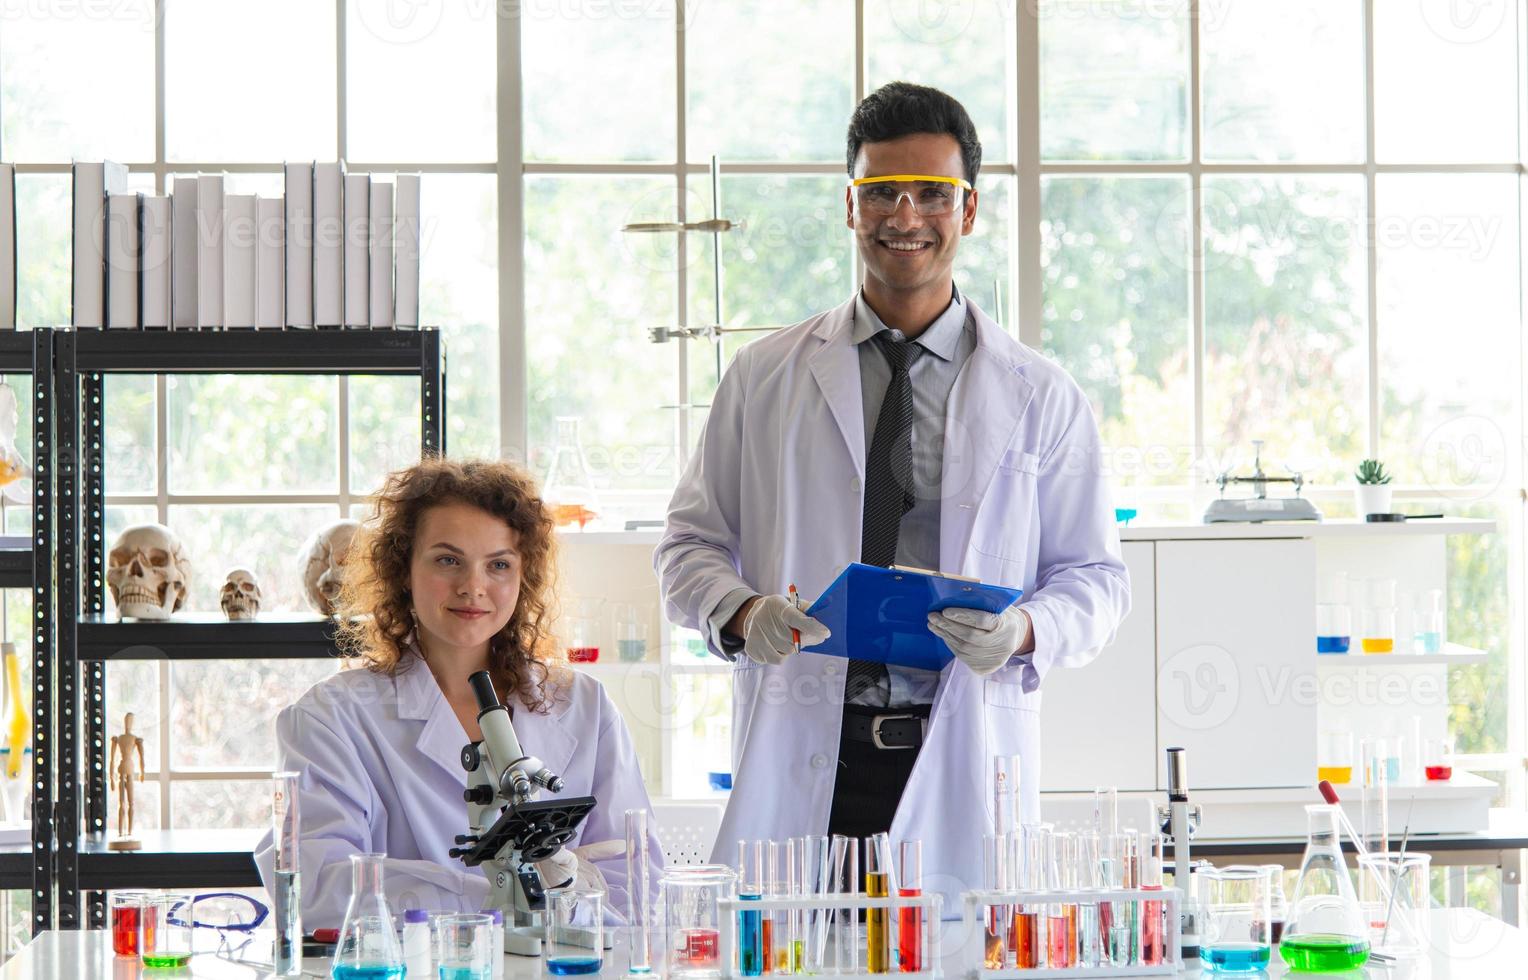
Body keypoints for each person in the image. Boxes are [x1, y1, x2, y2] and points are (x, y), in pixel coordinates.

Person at [656, 82, 1130, 899]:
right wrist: (742, 612)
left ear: (969, 210)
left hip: (961, 749)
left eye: (933, 194)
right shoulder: (765, 377)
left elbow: (1096, 578)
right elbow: (686, 549)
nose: (904, 215)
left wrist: (1023, 629)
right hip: (810, 747)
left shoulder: (1042, 393)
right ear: (850, 206)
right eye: (880, 192)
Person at [255, 458, 664, 927]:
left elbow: (635, 885)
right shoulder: (332, 718)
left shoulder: (586, 707)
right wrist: (523, 893)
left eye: (499, 565)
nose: (473, 586)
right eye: (448, 560)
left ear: (522, 578)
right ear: (403, 571)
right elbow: (315, 887)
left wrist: (420, 889)